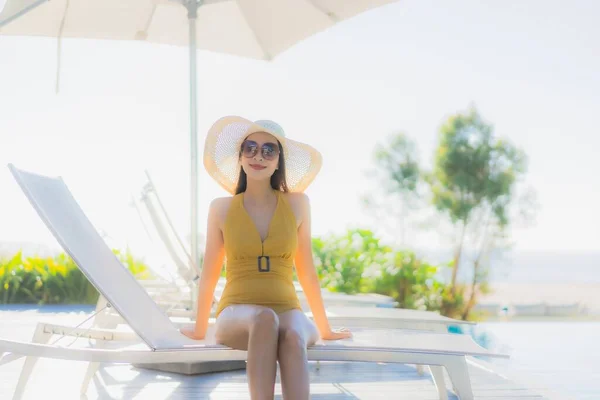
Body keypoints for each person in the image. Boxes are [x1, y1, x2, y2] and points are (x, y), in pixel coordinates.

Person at [181, 116, 352, 399]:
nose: (258, 156)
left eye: (268, 150)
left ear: (278, 162)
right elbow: (209, 273)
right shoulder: (221, 209)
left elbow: (307, 271)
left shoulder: (298, 204)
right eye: (250, 148)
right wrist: (201, 329)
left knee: (293, 337)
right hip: (236, 313)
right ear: (240, 156)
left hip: (288, 310)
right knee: (264, 318)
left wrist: (326, 329)